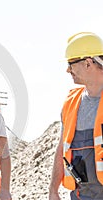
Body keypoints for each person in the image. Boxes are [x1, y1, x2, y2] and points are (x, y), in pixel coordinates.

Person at [49, 32, 103, 200]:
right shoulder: (71, 103)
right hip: (81, 195)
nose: (68, 69)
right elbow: (61, 149)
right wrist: (53, 189)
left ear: (88, 63)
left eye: (71, 63)